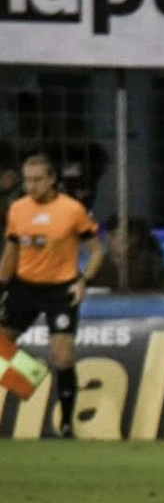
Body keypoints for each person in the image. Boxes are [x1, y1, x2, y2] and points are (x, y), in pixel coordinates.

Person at [0, 154, 105, 438]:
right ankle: (30, 377)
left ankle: (67, 424)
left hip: (60, 289)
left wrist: (84, 280)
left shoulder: (72, 210)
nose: (31, 186)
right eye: (27, 180)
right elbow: (11, 251)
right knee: (1, 345)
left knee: (62, 356)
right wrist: (2, 285)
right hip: (24, 286)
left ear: (52, 180)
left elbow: (97, 251)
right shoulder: (17, 209)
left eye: (37, 180)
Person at [92, 215, 164, 291]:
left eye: (126, 235)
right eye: (115, 235)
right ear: (107, 237)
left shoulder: (149, 264)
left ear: (134, 238)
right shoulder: (99, 265)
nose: (121, 240)